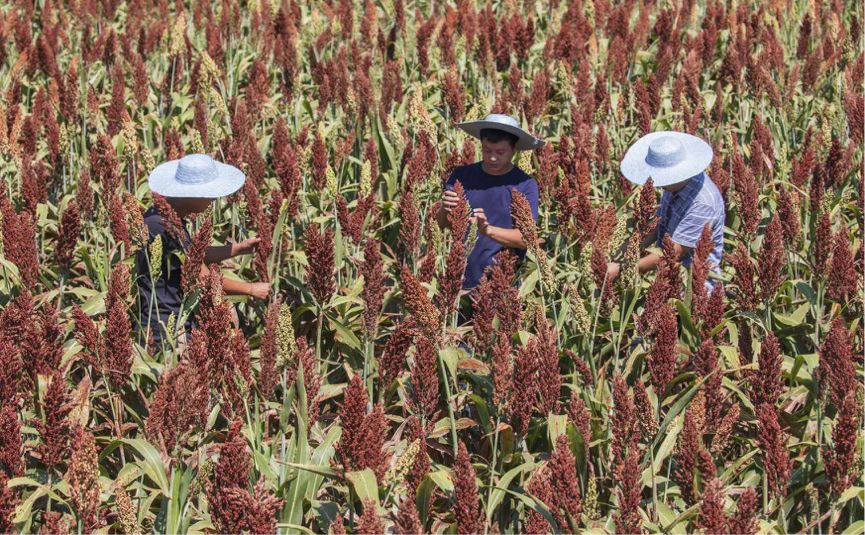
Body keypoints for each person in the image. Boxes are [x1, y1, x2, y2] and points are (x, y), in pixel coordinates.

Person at [136, 153, 271, 345]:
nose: (214, 199)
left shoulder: (163, 217)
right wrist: (250, 289)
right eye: (210, 193)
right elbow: (203, 276)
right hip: (166, 329)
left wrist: (239, 248)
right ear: (193, 194)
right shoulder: (164, 225)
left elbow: (193, 255)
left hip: (175, 320)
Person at [435, 113, 545, 302]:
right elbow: (442, 225)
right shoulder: (462, 176)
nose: (492, 157)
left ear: (514, 150)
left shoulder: (525, 185)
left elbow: (527, 239)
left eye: (500, 152)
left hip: (501, 284)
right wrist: (444, 208)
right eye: (487, 150)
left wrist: (487, 230)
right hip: (459, 280)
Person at [607, 131, 725, 280]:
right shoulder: (674, 184)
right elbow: (659, 223)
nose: (657, 183)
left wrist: (622, 269)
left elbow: (673, 252)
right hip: (669, 277)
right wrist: (627, 249)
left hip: (695, 285)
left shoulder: (702, 204)